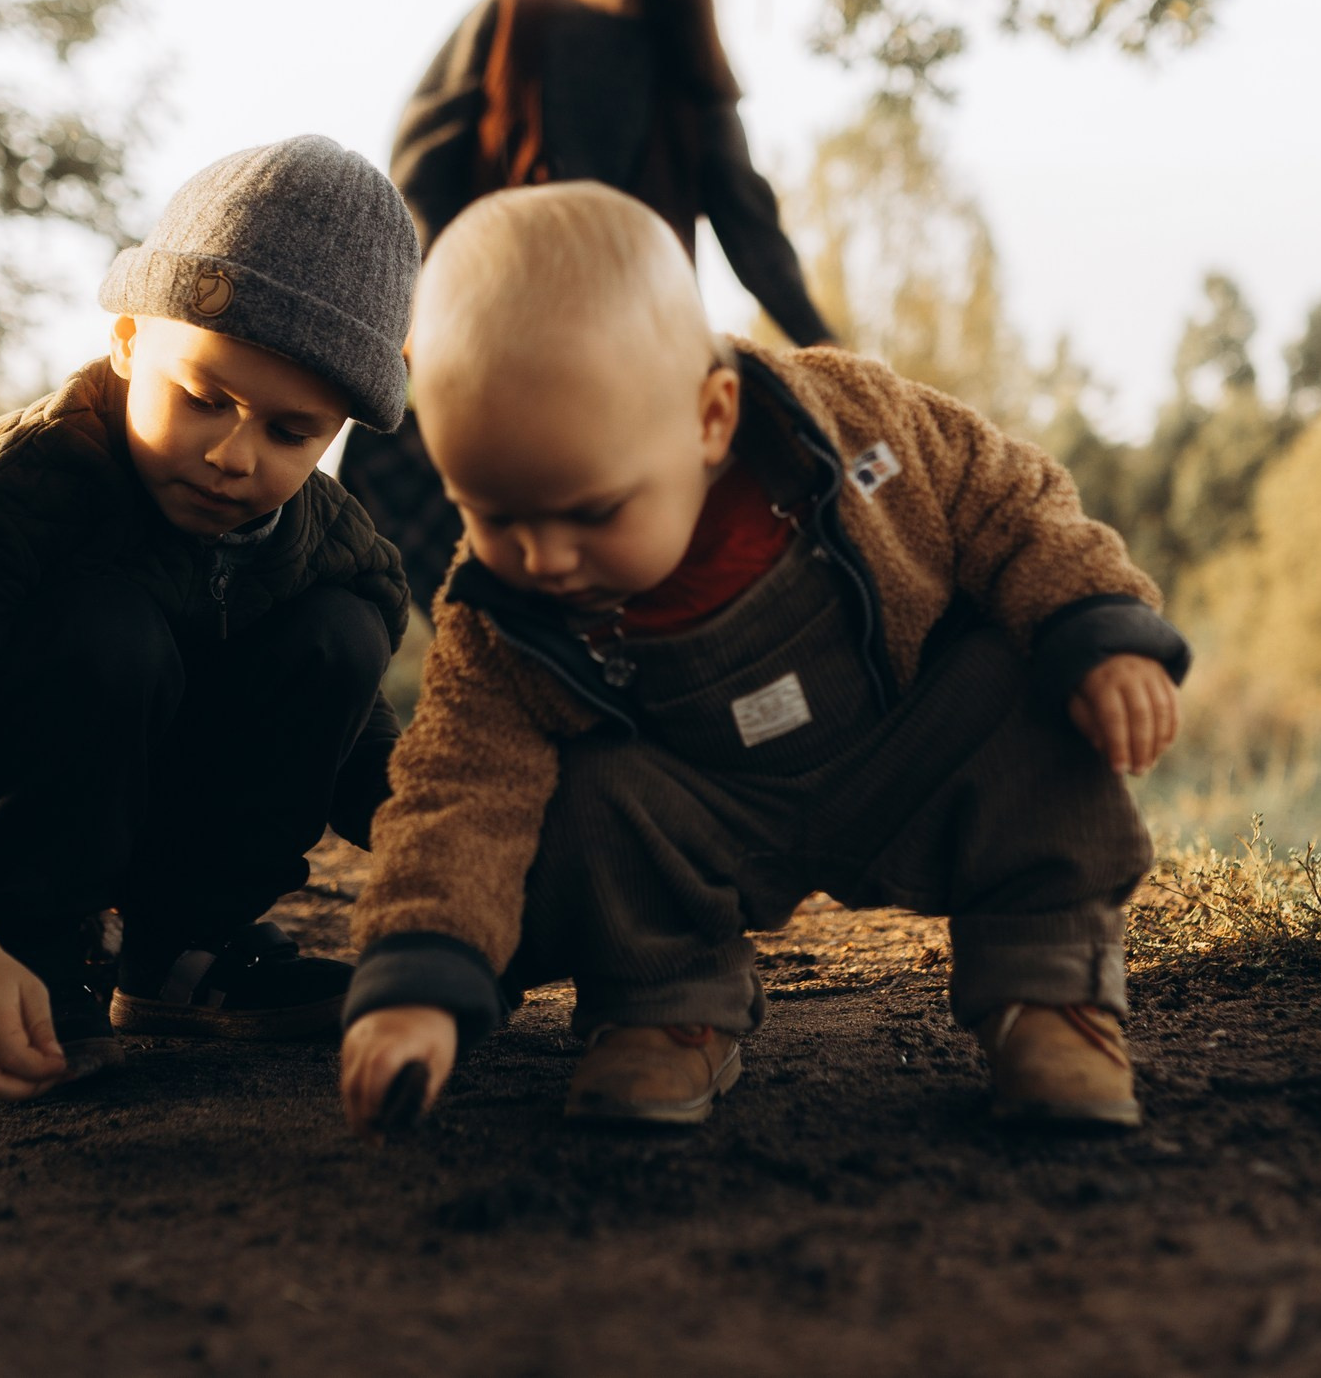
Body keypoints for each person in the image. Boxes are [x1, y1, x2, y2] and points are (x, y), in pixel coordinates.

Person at [337, 183, 1190, 1134]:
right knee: (585, 791)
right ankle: (667, 1004)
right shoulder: (504, 617)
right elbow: (456, 788)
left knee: (1023, 685)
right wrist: (418, 973)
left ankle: (1049, 989)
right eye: (493, 514)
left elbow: (1007, 498)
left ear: (709, 418)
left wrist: (1097, 622)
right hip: (701, 807)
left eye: (591, 512)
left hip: (904, 745)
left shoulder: (854, 422)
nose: (543, 558)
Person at [0, 137, 420, 1101]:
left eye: (291, 432)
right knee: (105, 629)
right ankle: (34, 953)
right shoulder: (4, 491)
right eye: (203, 398)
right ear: (128, 340)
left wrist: (473, 876)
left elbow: (350, 737)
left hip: (153, 748)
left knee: (341, 638)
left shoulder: (334, 546)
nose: (234, 456)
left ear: (336, 432)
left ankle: (184, 957)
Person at [342, 0, 836, 611]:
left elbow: (753, 232)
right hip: (484, 347)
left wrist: (831, 357)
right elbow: (417, 170)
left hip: (627, 368)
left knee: (639, 600)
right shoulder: (507, 19)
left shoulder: (690, 76)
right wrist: (432, 308)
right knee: (446, 584)